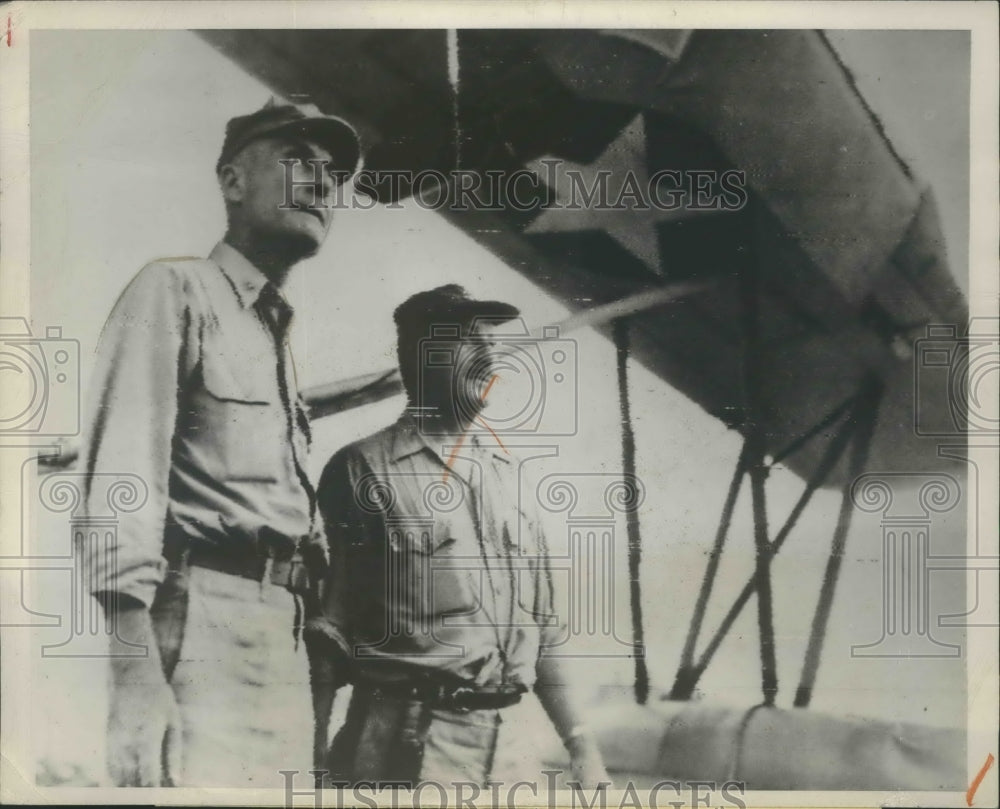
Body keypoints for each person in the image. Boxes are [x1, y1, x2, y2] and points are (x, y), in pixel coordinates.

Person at [78, 98, 361, 787]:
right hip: (203, 614)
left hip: (282, 634)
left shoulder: (273, 331)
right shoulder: (176, 289)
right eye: (298, 160)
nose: (323, 183)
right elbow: (123, 473)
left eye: (334, 173)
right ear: (233, 180)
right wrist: (132, 669)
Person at [307, 284, 609, 790]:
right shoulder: (364, 469)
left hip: (513, 753)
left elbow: (545, 631)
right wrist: (312, 754)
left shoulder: (512, 480)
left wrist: (583, 746)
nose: (489, 354)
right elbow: (329, 631)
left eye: (490, 341)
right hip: (407, 744)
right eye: (468, 340)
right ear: (418, 357)